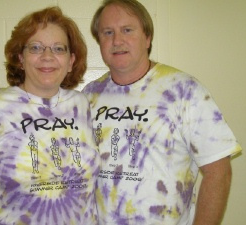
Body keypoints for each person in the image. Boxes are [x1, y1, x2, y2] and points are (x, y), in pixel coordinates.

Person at [82, 0, 242, 224]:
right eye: (108, 32)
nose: (117, 41)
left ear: (147, 38)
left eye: (127, 30)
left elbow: (219, 172)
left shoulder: (184, 90)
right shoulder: (88, 96)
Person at [0, 7, 100, 225]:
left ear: (71, 61)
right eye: (36, 47)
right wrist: (13, 209)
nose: (47, 56)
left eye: (58, 48)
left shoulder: (82, 106)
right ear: (20, 58)